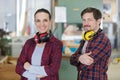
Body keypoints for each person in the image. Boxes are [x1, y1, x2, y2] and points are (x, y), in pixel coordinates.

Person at [16, 8, 63, 80]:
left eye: (45, 20)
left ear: (50, 22)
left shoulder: (57, 44)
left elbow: (53, 69)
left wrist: (30, 67)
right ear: (35, 23)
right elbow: (18, 67)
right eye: (38, 21)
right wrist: (35, 76)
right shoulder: (29, 43)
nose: (42, 24)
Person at [70, 7, 112, 80]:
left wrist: (77, 58)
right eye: (84, 20)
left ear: (98, 21)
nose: (86, 23)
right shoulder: (86, 38)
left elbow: (84, 66)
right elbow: (71, 59)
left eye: (89, 20)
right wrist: (79, 58)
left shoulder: (102, 40)